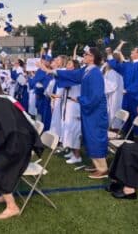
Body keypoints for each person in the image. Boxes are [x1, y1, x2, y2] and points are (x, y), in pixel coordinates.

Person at [0, 77, 42, 220]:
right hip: (14, 140)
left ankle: (12, 207)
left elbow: (10, 126)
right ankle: (5, 194)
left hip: (19, 143)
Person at [41, 47, 109, 178]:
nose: (84, 55)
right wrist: (51, 71)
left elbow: (96, 96)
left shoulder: (95, 73)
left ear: (93, 58)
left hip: (95, 112)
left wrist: (80, 99)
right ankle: (97, 165)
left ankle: (103, 169)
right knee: (90, 137)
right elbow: (71, 74)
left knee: (95, 138)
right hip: (90, 110)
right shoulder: (86, 70)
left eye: (87, 54)